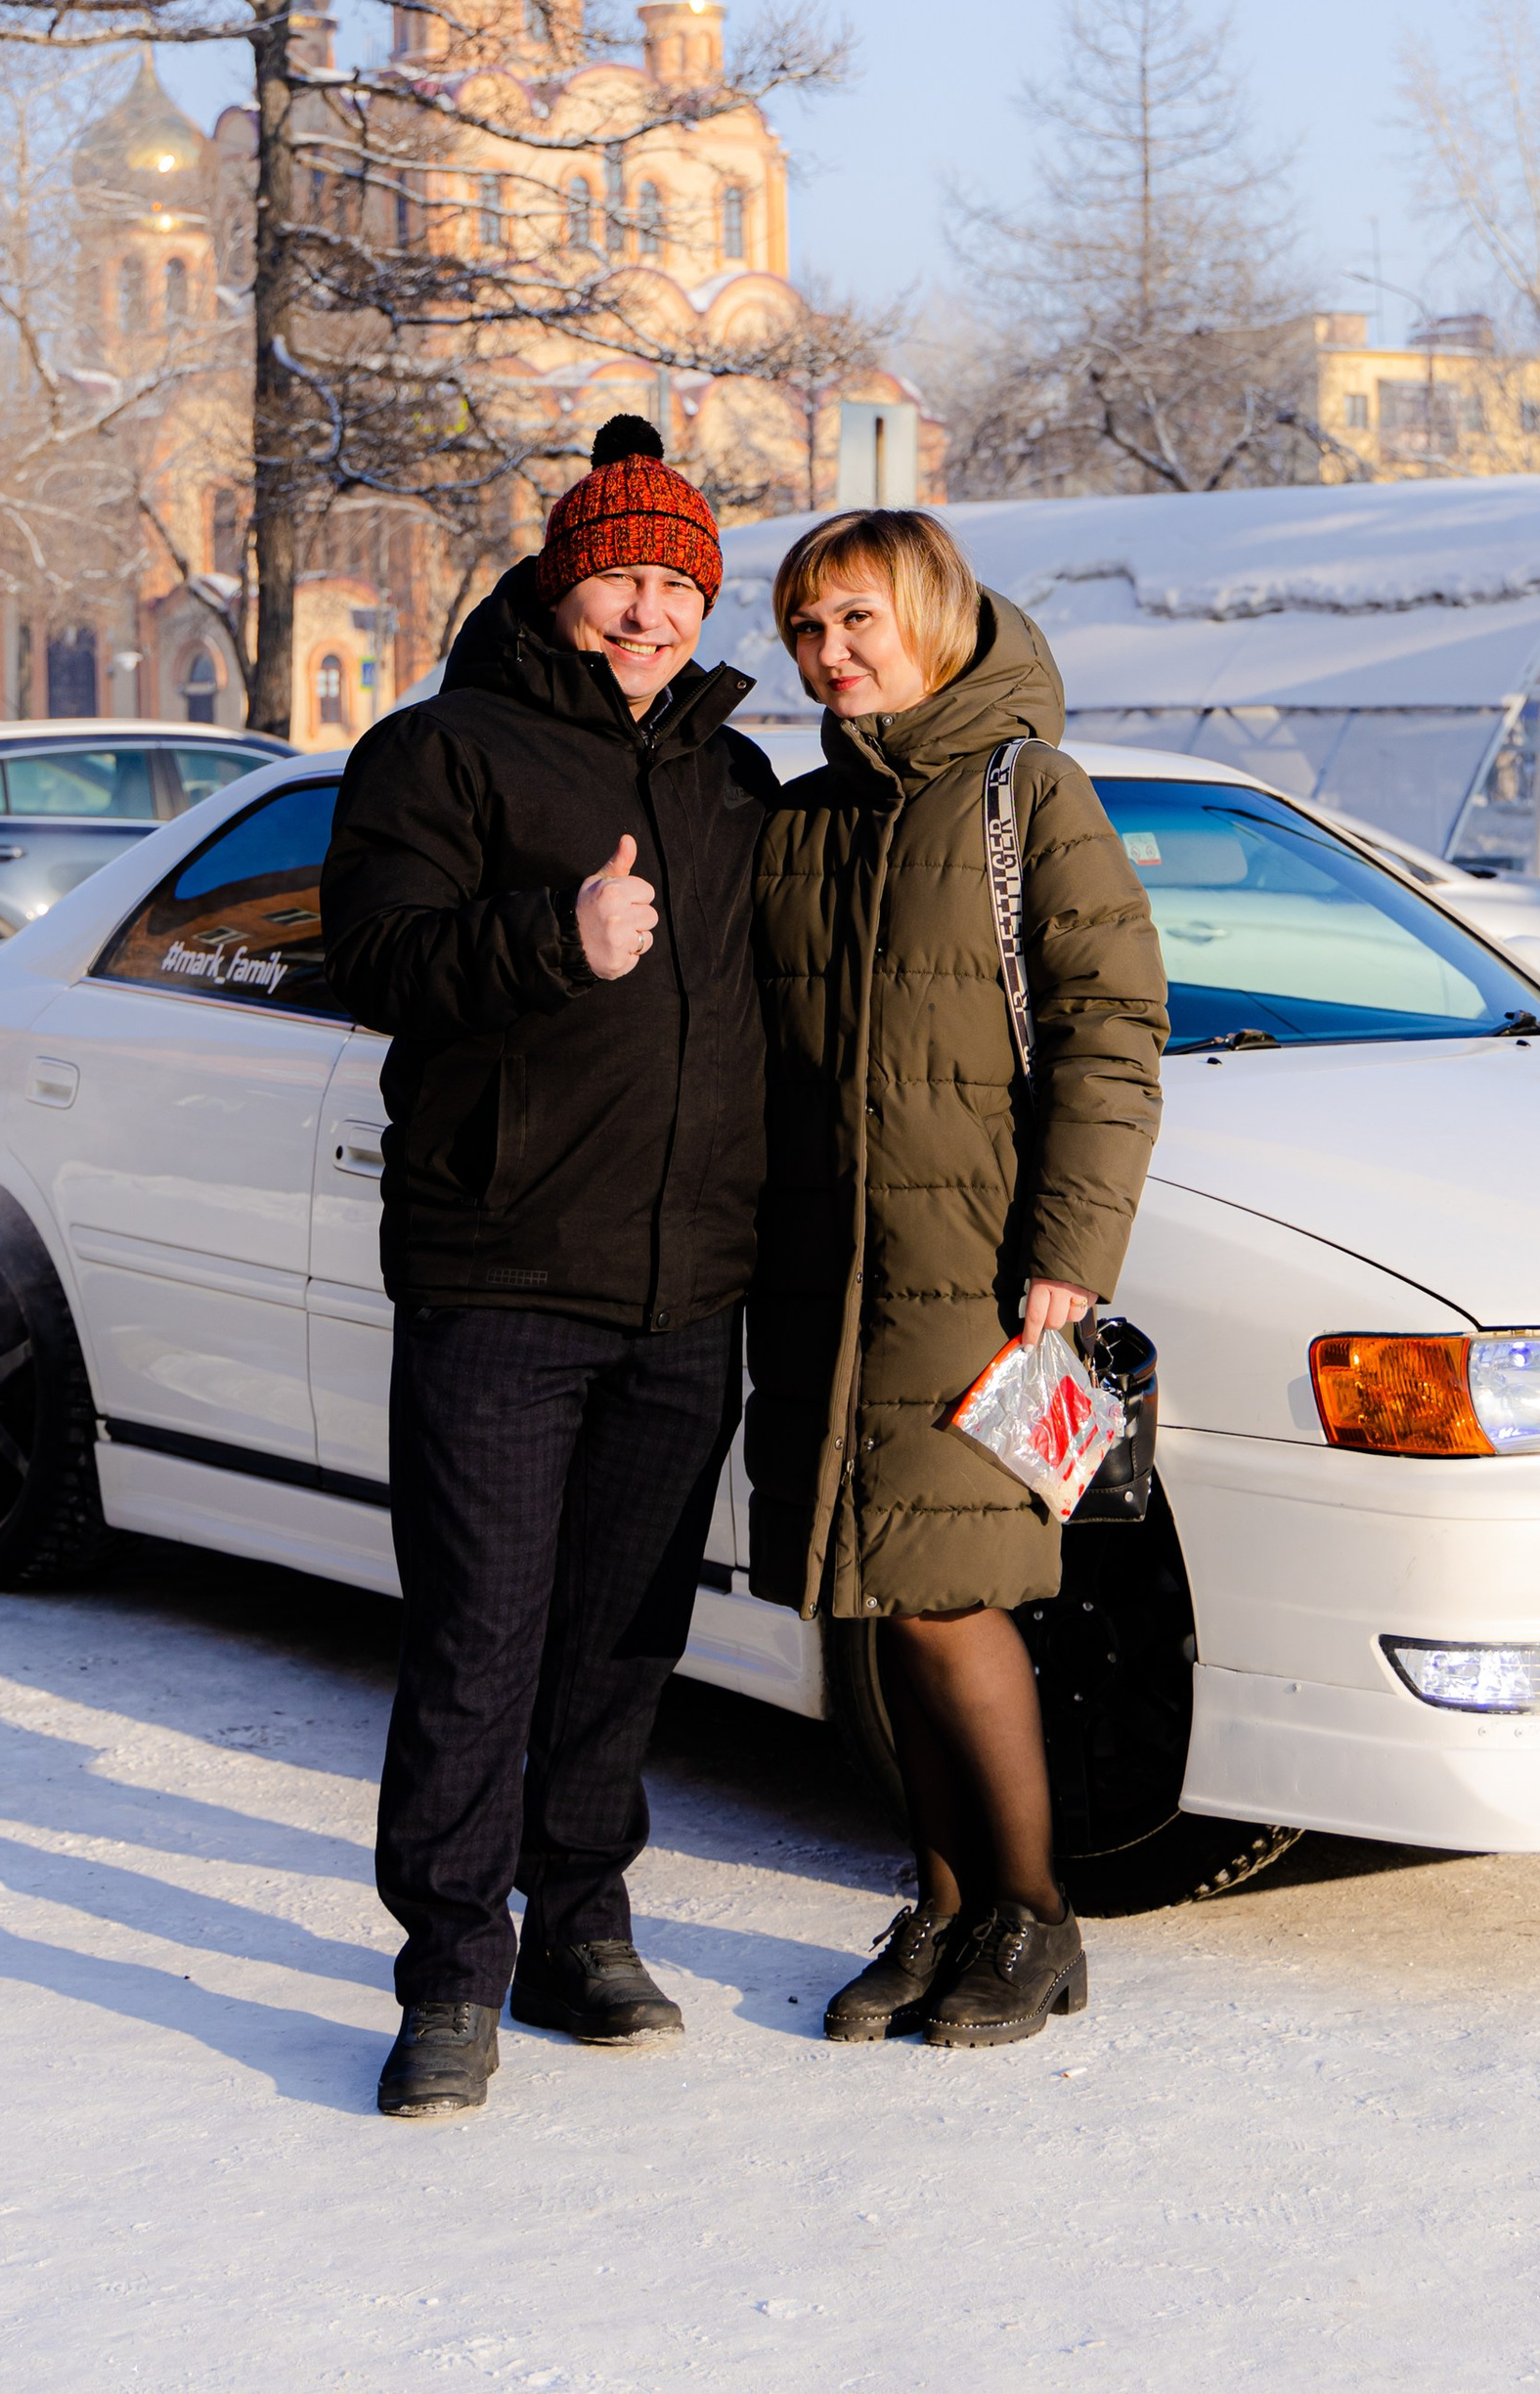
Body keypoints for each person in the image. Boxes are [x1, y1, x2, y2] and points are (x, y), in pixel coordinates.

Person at [323, 418, 777, 2121]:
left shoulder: (732, 779)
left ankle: (581, 1922)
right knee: (478, 1637)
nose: (650, 612)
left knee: (621, 1636)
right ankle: (448, 1969)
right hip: (503, 1271)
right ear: (564, 577)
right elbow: (369, 955)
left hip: (689, 1283)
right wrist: (551, 938)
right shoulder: (438, 750)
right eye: (622, 577)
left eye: (679, 583)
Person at [748, 509, 1167, 2051]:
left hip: (974, 1276)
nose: (829, 654)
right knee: (866, 1606)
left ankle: (1034, 1918)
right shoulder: (801, 820)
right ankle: (937, 1907)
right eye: (805, 630)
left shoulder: (1022, 796)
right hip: (820, 1285)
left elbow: (1113, 1028)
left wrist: (1071, 1248)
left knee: (947, 1600)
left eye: (856, 620)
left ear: (932, 617)